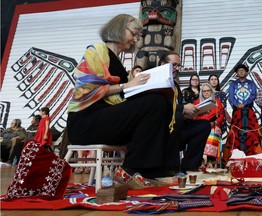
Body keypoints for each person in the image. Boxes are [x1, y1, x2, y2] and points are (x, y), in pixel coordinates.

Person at [66, 14, 174, 189]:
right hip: (86, 121)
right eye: (134, 33)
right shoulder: (95, 51)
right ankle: (130, 170)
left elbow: (121, 95)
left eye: (139, 36)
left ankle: (148, 171)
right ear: (119, 29)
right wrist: (127, 85)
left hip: (106, 119)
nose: (136, 39)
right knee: (154, 103)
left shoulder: (119, 62)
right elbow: (86, 90)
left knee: (162, 104)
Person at [158, 51, 211, 173]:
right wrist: (182, 109)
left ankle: (190, 166)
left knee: (204, 126)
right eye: (174, 65)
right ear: (162, 64)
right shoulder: (156, 82)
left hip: (179, 125)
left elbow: (178, 107)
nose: (176, 69)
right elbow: (159, 107)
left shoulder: (175, 85)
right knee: (176, 120)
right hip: (163, 129)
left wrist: (192, 113)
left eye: (178, 66)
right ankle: (171, 168)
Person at [223, 64, 262, 165]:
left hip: (249, 111)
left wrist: (244, 104)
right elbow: (231, 96)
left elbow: (253, 95)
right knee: (236, 132)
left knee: (251, 132)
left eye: (243, 70)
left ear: (246, 72)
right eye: (239, 70)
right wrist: (237, 104)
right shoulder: (233, 84)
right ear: (236, 73)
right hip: (237, 112)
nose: (241, 72)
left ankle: (252, 154)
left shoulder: (251, 83)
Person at [193, 83, 224, 168]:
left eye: (208, 91)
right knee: (201, 133)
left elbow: (221, 116)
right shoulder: (196, 103)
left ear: (211, 92)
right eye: (204, 91)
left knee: (212, 132)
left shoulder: (217, 102)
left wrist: (215, 123)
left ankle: (211, 160)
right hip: (200, 126)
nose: (206, 93)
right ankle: (201, 160)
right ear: (201, 93)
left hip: (213, 125)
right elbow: (194, 117)